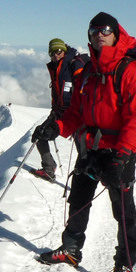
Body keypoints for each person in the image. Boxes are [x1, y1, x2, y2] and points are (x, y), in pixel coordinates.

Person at [33, 13, 136, 272]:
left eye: (106, 30)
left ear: (116, 34)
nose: (100, 34)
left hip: (118, 151)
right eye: (94, 30)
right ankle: (71, 249)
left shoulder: (129, 69)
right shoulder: (89, 70)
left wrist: (123, 154)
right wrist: (56, 128)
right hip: (92, 148)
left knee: (122, 211)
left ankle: (126, 262)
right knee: (78, 198)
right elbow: (77, 111)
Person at [32, 38, 88, 182]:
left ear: (64, 51)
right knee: (39, 134)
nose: (55, 55)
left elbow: (84, 91)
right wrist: (54, 110)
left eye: (58, 51)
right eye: (52, 52)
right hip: (59, 112)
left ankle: (85, 185)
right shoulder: (56, 67)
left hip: (77, 115)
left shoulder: (73, 65)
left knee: (84, 152)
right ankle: (49, 169)